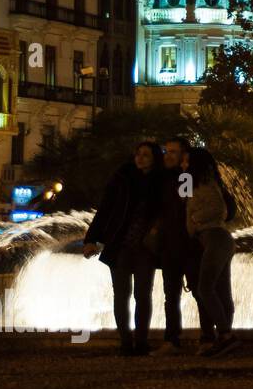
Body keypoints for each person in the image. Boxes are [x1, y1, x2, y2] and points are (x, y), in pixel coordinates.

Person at [82, 141, 165, 356]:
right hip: (120, 245)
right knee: (121, 294)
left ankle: (141, 341)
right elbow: (106, 209)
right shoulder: (123, 178)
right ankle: (126, 342)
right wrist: (91, 239)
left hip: (146, 247)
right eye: (138, 154)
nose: (140, 158)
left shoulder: (163, 181)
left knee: (143, 294)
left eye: (146, 155)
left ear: (155, 158)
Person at [183, 147, 239, 357]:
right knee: (221, 291)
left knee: (205, 288)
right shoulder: (196, 182)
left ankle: (226, 335)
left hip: (215, 238)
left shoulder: (204, 183)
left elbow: (220, 209)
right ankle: (226, 337)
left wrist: (195, 221)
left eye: (186, 162)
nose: (182, 165)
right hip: (217, 240)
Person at [152, 136, 203, 353]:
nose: (168, 155)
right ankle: (172, 339)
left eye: (173, 152)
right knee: (171, 295)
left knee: (198, 292)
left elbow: (185, 208)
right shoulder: (163, 178)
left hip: (187, 245)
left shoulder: (184, 177)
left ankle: (208, 336)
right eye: (166, 151)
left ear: (184, 155)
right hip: (170, 245)